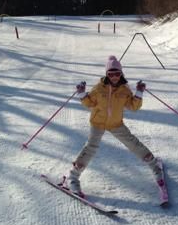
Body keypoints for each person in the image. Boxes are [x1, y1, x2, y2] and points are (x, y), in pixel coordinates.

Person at [67, 55, 163, 197]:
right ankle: (73, 177)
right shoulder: (99, 88)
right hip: (98, 122)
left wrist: (139, 92)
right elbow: (90, 103)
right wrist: (82, 94)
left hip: (115, 123)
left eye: (117, 73)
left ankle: (155, 166)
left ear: (121, 74)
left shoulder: (124, 89)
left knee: (132, 143)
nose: (114, 77)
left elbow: (133, 106)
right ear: (107, 74)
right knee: (91, 147)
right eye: (111, 74)